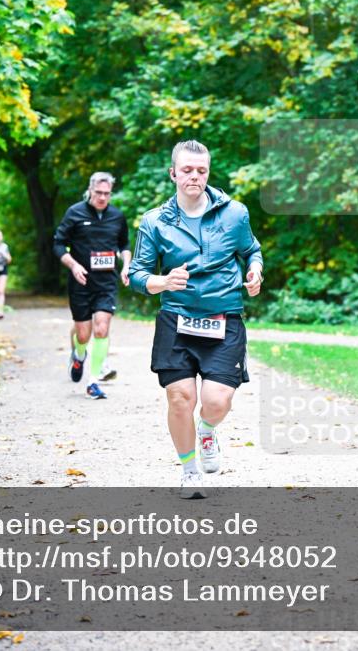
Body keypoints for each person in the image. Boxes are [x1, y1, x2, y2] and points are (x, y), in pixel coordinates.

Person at [130, 140, 263, 499]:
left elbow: (251, 250)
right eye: (187, 170)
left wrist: (254, 270)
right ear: (173, 173)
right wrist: (162, 281)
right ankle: (189, 471)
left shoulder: (235, 213)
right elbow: (137, 274)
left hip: (225, 317)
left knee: (217, 401)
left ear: (208, 173)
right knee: (179, 398)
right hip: (177, 319)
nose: (194, 176)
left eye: (201, 170)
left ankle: (207, 430)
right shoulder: (155, 221)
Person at [53, 171, 131, 400]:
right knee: (84, 335)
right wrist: (73, 265)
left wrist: (126, 265)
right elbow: (58, 244)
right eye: (98, 193)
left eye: (107, 194)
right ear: (90, 190)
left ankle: (93, 381)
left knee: (102, 328)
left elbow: (124, 244)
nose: (102, 197)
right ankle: (78, 356)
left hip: (106, 282)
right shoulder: (75, 213)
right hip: (81, 282)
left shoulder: (117, 216)